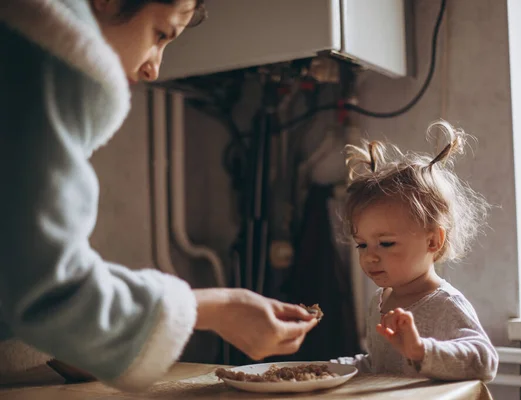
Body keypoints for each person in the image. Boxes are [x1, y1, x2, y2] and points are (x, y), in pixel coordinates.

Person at [0, 0, 317, 391]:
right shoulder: (42, 59)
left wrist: (76, 342)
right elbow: (52, 291)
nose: (154, 68)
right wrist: (220, 308)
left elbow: (18, 278)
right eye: (161, 34)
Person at [333, 121, 498, 382]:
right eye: (362, 244)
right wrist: (330, 368)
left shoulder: (445, 303)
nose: (369, 256)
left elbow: (485, 362)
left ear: (433, 241)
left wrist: (421, 350)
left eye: (385, 243)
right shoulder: (380, 301)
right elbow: (380, 365)